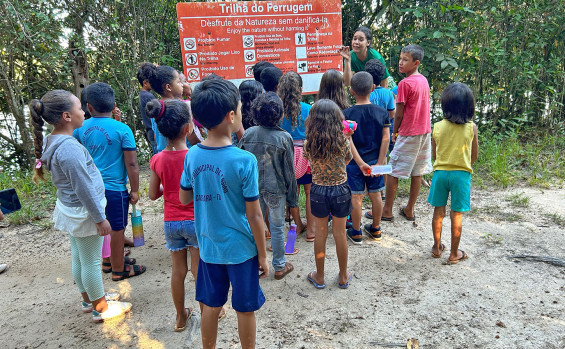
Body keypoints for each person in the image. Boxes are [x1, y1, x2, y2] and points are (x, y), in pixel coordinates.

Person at [179, 79, 268, 348]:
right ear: (232, 116)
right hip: (241, 249)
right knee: (245, 308)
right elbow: (254, 216)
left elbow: (184, 197)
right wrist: (263, 254)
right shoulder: (244, 160)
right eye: (240, 108)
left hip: (208, 247)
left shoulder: (192, 154)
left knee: (210, 305)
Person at [30, 89, 131, 322]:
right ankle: (101, 308)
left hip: (71, 208)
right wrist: (99, 218)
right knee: (92, 262)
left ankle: (89, 298)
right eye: (78, 108)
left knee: (79, 257)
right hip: (84, 213)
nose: (83, 112)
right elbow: (83, 187)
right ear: (67, 116)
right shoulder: (69, 149)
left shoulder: (54, 140)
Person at [74, 82, 146, 281]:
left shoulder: (80, 129)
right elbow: (131, 164)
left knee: (102, 224)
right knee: (117, 229)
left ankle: (107, 261)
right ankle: (118, 269)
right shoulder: (122, 130)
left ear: (88, 107)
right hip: (115, 189)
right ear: (114, 103)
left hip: (90, 189)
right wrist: (135, 190)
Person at [239, 92, 297, 280]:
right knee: (277, 227)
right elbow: (290, 170)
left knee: (254, 225)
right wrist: (293, 199)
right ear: (280, 114)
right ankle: (279, 266)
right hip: (277, 189)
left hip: (252, 189)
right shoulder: (284, 137)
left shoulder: (248, 134)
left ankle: (256, 263)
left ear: (255, 113)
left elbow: (239, 161)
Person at [303, 99, 353, 289]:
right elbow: (347, 162)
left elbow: (310, 163)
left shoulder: (309, 144)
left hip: (317, 191)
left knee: (321, 234)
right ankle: (342, 275)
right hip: (340, 189)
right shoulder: (343, 142)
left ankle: (320, 276)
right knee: (340, 234)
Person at [428, 83, 479, 264]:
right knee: (456, 215)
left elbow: (434, 155)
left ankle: (436, 247)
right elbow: (474, 155)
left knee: (438, 212)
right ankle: (454, 253)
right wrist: (463, 164)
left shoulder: (437, 126)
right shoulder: (472, 128)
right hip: (461, 175)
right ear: (469, 106)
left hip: (440, 173)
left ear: (445, 105)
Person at [382, 44, 433, 222]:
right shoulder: (423, 80)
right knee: (417, 172)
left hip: (409, 132)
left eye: (405, 60)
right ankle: (410, 209)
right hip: (424, 132)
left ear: (416, 62)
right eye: (400, 58)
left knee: (392, 170)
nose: (400, 63)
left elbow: (399, 113)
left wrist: (395, 133)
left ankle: (386, 210)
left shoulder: (405, 84)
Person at [343, 72, 390, 244]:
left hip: (354, 164)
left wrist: (360, 162)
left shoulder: (346, 113)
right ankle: (376, 229)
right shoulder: (382, 112)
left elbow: (348, 140)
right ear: (372, 88)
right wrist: (379, 162)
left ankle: (356, 232)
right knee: (376, 194)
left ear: (351, 91)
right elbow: (386, 138)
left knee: (356, 197)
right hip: (376, 162)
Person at [277, 71, 312, 239]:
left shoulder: (277, 111)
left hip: (285, 156)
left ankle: (297, 225)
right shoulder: (308, 109)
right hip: (306, 156)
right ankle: (311, 230)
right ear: (300, 89)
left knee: (292, 194)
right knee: (310, 192)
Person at [364, 59, 396, 219]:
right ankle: (380, 191)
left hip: (367, 133)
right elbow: (392, 114)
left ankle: (366, 190)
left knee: (367, 160)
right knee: (382, 160)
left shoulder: (365, 91)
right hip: (383, 132)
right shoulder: (388, 93)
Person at [137, 62, 158, 154]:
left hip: (151, 132)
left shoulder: (144, 95)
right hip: (154, 133)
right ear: (145, 83)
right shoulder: (148, 96)